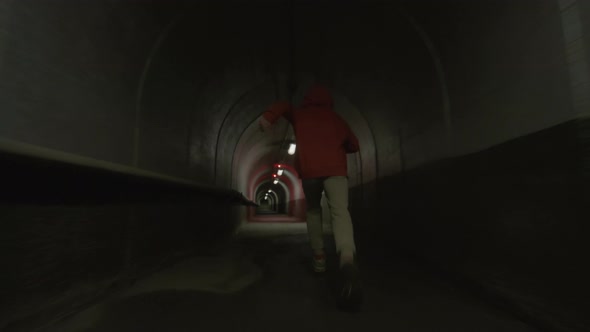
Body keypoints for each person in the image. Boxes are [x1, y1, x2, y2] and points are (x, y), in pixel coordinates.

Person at [259, 85, 362, 309]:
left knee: (314, 210)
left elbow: (284, 105)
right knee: (340, 212)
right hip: (336, 171)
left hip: (310, 172)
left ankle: (319, 259)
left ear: (307, 100)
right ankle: (346, 256)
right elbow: (355, 144)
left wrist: (268, 118)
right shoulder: (336, 118)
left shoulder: (300, 114)